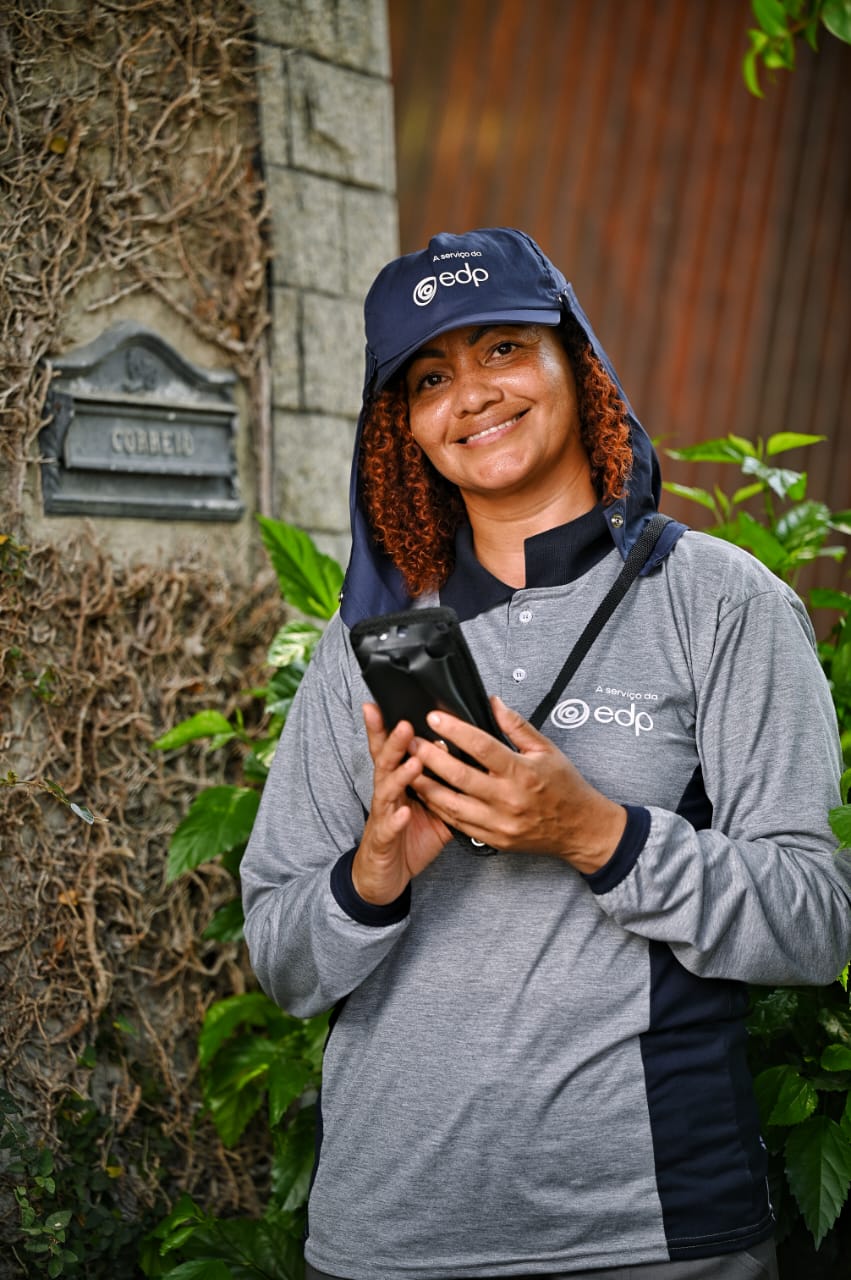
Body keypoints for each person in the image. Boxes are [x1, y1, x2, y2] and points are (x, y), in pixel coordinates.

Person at [240, 227, 851, 1280]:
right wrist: (375, 869)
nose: (470, 392)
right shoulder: (367, 647)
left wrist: (594, 832)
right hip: (389, 1232)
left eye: (501, 350)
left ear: (577, 361)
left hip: (652, 1233)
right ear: (404, 429)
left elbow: (811, 920)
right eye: (429, 374)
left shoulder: (719, 603)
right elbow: (284, 962)